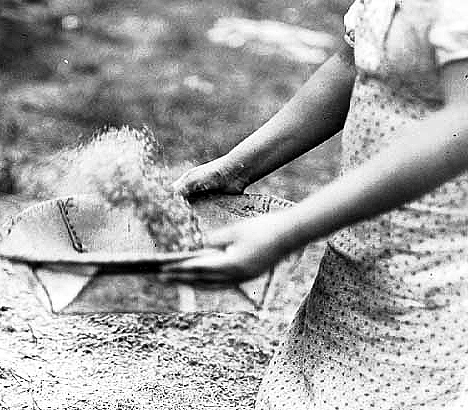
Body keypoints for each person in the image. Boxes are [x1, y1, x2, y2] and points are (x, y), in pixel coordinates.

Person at [165, 0, 468, 408]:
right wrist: (236, 168)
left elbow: (461, 128)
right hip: (359, 267)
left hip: (441, 281)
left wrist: (291, 230)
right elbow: (354, 62)